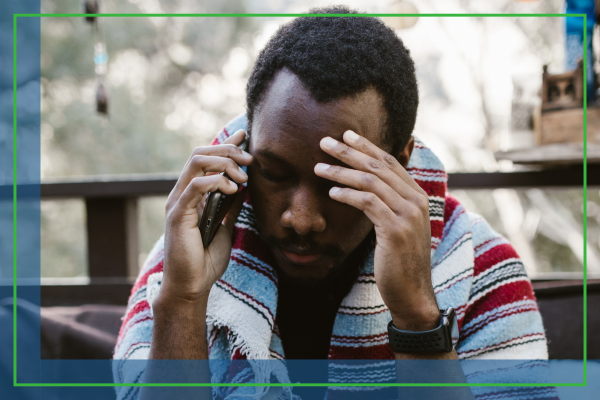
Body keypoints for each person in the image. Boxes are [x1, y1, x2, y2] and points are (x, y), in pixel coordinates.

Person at [113, 6, 556, 400]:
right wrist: (182, 301)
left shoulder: (483, 269)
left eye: (337, 181)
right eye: (274, 173)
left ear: (399, 161)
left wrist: (418, 318)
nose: (300, 219)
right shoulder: (190, 249)